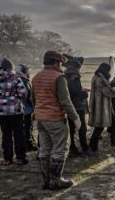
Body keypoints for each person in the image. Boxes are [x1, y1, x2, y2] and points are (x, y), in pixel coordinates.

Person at [32, 51, 81, 190]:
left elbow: (34, 99)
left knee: (44, 149)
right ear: (56, 62)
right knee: (60, 148)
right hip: (55, 119)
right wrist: (76, 117)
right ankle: (56, 180)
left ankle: (46, 181)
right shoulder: (58, 77)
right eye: (60, 63)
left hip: (40, 118)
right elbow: (65, 101)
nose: (61, 66)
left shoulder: (36, 77)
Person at [0, 58, 28, 165]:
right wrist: (14, 98)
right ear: (11, 68)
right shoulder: (16, 78)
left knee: (6, 134)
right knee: (18, 134)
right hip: (16, 110)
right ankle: (20, 158)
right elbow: (23, 94)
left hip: (0, 111)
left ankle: (7, 159)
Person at [88, 63, 115, 153]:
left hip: (103, 106)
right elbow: (108, 91)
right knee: (100, 127)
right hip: (102, 107)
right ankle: (92, 147)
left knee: (112, 122)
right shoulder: (100, 80)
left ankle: (114, 141)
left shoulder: (96, 77)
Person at [64, 56, 89, 157]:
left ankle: (72, 148)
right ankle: (85, 148)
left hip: (70, 105)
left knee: (71, 128)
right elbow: (75, 91)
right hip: (77, 105)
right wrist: (84, 94)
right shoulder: (74, 76)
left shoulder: (66, 74)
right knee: (82, 128)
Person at [16, 64, 37, 152]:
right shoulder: (22, 81)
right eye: (27, 70)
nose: (28, 72)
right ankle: (28, 145)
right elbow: (27, 95)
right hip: (26, 108)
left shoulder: (18, 80)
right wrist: (33, 105)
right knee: (27, 128)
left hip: (21, 109)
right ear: (23, 71)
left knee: (25, 128)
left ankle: (27, 144)